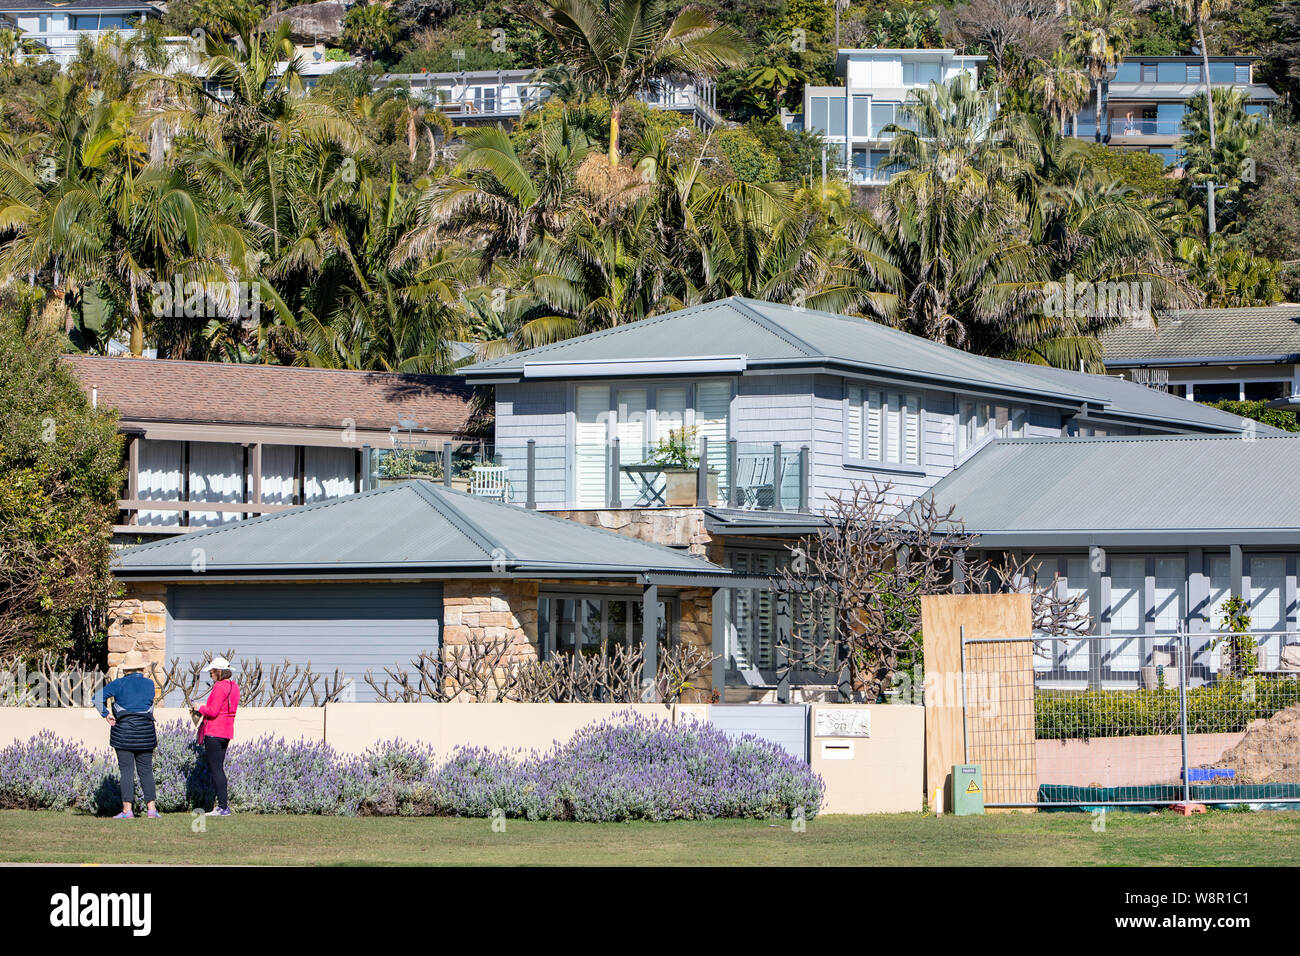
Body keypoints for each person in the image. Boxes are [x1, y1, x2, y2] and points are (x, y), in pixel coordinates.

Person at [95, 649, 159, 820]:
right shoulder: (149, 684)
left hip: (123, 733)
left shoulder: (118, 684)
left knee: (127, 772)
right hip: (146, 733)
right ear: (141, 668)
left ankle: (127, 811)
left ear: (126, 668)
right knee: (146, 771)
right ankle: (151, 810)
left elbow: (96, 697)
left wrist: (105, 714)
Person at [190, 657, 239, 817]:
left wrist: (200, 707)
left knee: (216, 769)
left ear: (219, 671)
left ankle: (223, 806)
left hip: (214, 731)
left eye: (212, 671)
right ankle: (222, 805)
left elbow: (212, 711)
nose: (210, 674)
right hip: (226, 731)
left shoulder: (219, 687)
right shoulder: (234, 686)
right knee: (219, 768)